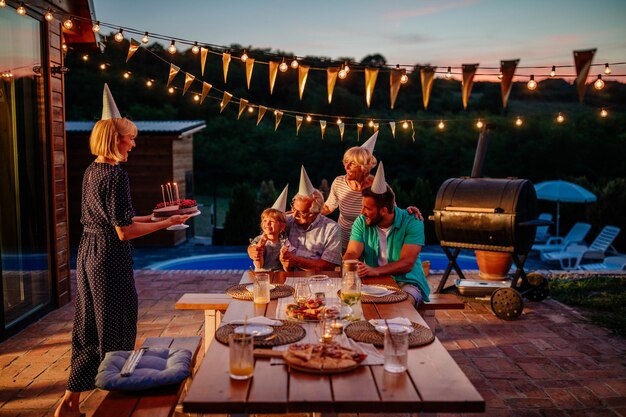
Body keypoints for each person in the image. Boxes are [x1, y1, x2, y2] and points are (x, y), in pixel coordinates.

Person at [55, 85, 191, 417]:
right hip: (109, 258)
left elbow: (117, 219)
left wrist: (161, 215)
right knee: (115, 327)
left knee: (90, 326)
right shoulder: (115, 175)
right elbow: (124, 230)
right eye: (129, 138)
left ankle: (70, 403)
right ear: (115, 140)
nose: (133, 142)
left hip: (90, 252)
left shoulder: (92, 170)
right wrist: (166, 225)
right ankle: (116, 405)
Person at [343, 161, 430, 307]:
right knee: (350, 304)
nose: (362, 212)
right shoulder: (362, 221)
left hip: (407, 283)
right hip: (373, 283)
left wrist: (374, 271)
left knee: (401, 306)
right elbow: (351, 252)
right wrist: (353, 264)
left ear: (383, 210)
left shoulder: (413, 222)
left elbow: (407, 263)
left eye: (367, 208)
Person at [322, 132, 423, 250]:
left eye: (352, 163)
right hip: (344, 242)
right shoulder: (338, 182)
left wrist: (407, 213)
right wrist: (309, 210)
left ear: (364, 167)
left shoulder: (378, 186)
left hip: (370, 243)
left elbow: (390, 211)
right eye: (346, 162)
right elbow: (328, 207)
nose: (346, 167)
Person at [250, 166, 341, 271]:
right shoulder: (287, 220)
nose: (293, 214)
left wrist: (297, 261)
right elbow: (263, 238)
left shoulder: (331, 229)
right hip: (285, 277)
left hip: (316, 278)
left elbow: (328, 266)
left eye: (301, 212)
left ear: (315, 213)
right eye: (293, 208)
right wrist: (252, 250)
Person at [248, 185, 293, 270]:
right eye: (265, 221)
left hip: (279, 275)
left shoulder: (285, 241)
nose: (267, 224)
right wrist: (259, 249)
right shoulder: (258, 240)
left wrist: (285, 258)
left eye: (271, 221)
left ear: (282, 226)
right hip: (262, 275)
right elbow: (259, 266)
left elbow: (287, 267)